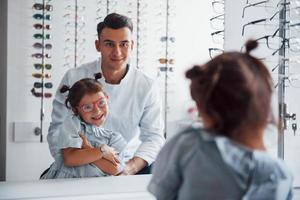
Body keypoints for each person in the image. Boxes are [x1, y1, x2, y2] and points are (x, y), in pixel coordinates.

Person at [148, 40, 293, 199]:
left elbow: (163, 194)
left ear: (203, 106)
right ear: (262, 106)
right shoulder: (279, 175)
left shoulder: (186, 146)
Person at [47, 13, 164, 175]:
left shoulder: (147, 85)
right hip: (79, 162)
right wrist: (82, 162)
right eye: (109, 44)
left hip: (128, 163)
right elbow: (57, 129)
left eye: (124, 44)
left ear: (132, 45)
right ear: (98, 45)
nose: (117, 52)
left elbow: (154, 137)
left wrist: (128, 169)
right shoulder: (74, 77)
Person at [41, 75, 128, 178]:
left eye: (101, 103)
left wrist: (88, 148)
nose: (97, 111)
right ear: (75, 109)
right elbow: (70, 159)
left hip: (93, 190)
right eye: (87, 107)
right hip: (63, 186)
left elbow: (114, 169)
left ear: (107, 98)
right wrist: (102, 151)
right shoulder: (73, 124)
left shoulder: (114, 138)